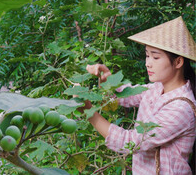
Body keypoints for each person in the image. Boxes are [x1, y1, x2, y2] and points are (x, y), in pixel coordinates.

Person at [83, 16, 196, 174]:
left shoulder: (181, 108)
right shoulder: (157, 88)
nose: (148, 63)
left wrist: (89, 113)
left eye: (155, 57)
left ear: (178, 62)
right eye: (147, 55)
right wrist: (109, 80)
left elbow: (130, 142)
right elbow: (126, 95)